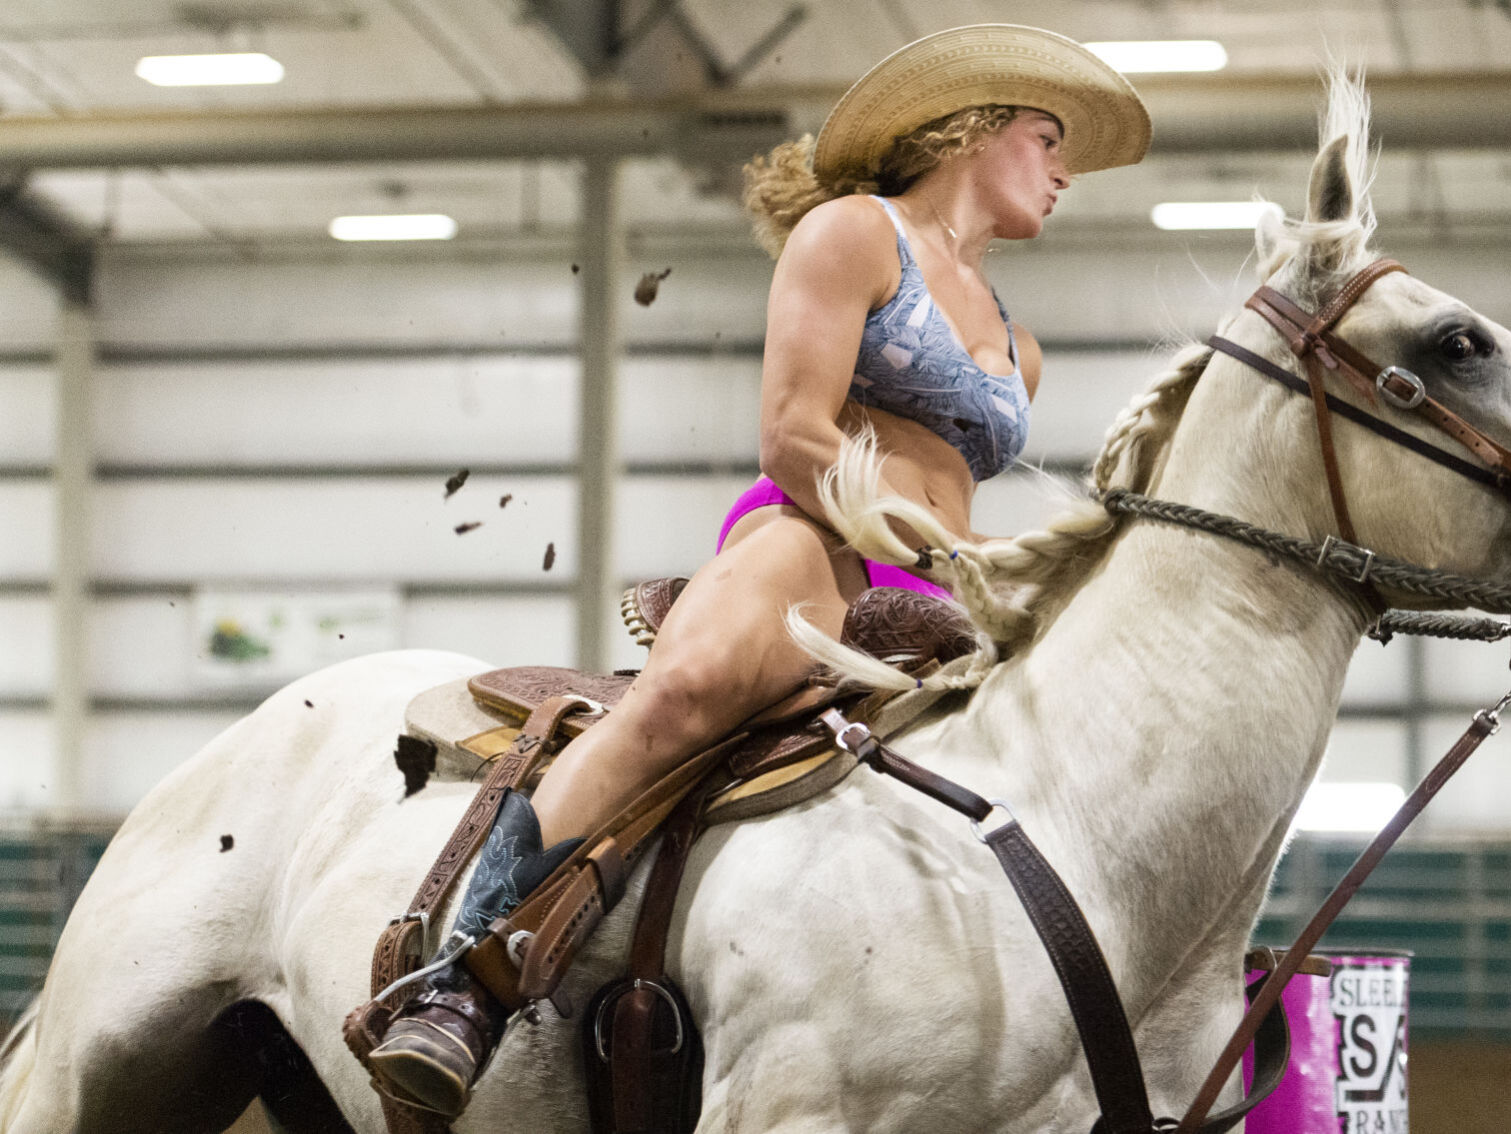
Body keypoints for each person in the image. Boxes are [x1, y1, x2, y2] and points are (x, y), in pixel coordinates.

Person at [366, 22, 1150, 1115]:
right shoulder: (852, 235)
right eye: (1047, 136)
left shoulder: (1020, 342)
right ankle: (455, 987)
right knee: (679, 696)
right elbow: (793, 435)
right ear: (972, 130)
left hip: (939, 585)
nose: (1064, 169)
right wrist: (939, 547)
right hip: (814, 539)